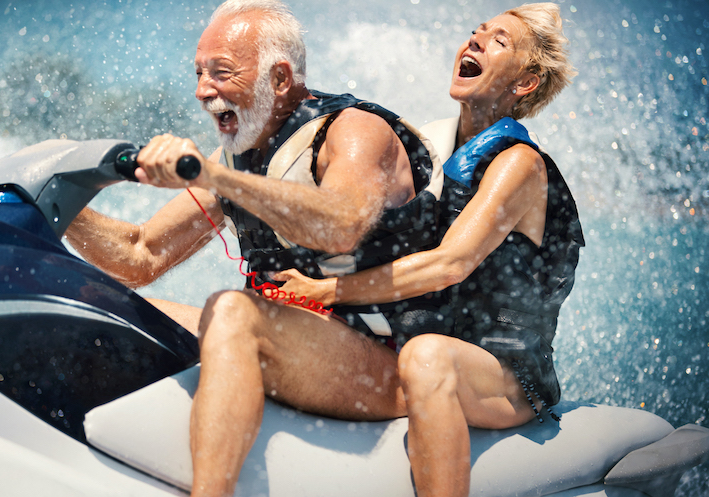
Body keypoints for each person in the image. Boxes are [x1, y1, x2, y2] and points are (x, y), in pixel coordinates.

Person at [65, 1, 442, 495]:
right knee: (101, 307)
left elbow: (340, 225)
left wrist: (215, 175)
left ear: (280, 79)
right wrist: (59, 201)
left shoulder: (353, 132)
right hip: (288, 337)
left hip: (379, 362)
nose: (203, 91)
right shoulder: (240, 155)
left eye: (220, 72)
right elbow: (140, 255)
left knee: (233, 311)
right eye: (199, 73)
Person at [274, 3, 584, 496]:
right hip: (429, 341)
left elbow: (449, 264)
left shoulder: (520, 164)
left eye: (498, 41)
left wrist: (329, 290)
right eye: (476, 32)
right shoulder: (437, 148)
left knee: (425, 356)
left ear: (524, 83)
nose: (475, 42)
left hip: (509, 375)